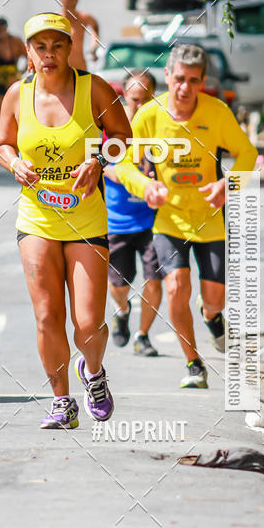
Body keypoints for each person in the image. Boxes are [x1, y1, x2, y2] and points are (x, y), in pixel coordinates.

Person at [0, 12, 140, 429]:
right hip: (37, 218)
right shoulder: (15, 95)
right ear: (28, 52)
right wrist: (14, 163)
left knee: (89, 322)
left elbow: (123, 139)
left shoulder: (93, 88)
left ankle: (93, 375)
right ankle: (61, 402)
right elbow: (3, 144)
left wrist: (97, 161)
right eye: (40, 47)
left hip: (85, 221)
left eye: (57, 45)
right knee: (46, 316)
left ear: (70, 47)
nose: (49, 54)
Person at [115, 44, 258, 389]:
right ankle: (193, 363)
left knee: (214, 299)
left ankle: (211, 315)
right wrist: (144, 187)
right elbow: (122, 162)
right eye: (179, 78)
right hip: (169, 221)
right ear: (167, 76)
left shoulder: (217, 112)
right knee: (176, 285)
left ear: (202, 81)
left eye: (193, 80)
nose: (184, 87)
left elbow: (248, 154)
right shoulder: (149, 114)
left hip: (210, 220)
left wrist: (229, 185)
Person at [103, 71, 162, 354]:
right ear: (124, 96)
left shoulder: (159, 125)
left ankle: (142, 335)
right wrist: (115, 171)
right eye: (134, 99)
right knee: (118, 282)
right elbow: (96, 159)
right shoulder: (111, 126)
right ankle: (122, 311)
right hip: (117, 219)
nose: (139, 106)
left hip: (152, 219)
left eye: (145, 100)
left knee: (155, 278)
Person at [59, 0, 100, 71]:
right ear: (61, 1)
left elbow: (95, 26)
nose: (69, 10)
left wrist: (94, 46)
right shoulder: (56, 20)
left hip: (80, 68)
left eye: (72, 6)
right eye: (66, 6)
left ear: (76, 1)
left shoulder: (84, 18)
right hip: (62, 71)